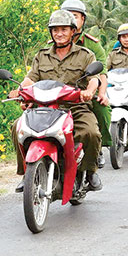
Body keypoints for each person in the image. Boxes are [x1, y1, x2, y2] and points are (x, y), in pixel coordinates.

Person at [11, 10, 104, 192]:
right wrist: (21, 91)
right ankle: (26, 173)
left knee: (91, 132)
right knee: (17, 127)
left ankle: (90, 170)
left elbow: (95, 78)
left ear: (73, 31)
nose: (59, 34)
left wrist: (89, 91)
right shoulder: (42, 55)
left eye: (64, 29)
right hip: (45, 108)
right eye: (55, 30)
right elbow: (31, 78)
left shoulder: (86, 55)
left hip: (75, 108)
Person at [61, 0, 111, 166]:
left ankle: (97, 150)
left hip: (84, 92)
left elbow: (101, 71)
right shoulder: (51, 44)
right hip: (57, 95)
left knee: (101, 110)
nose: (71, 19)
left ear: (82, 19)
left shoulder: (92, 46)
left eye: (75, 16)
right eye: (67, 15)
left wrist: (101, 93)